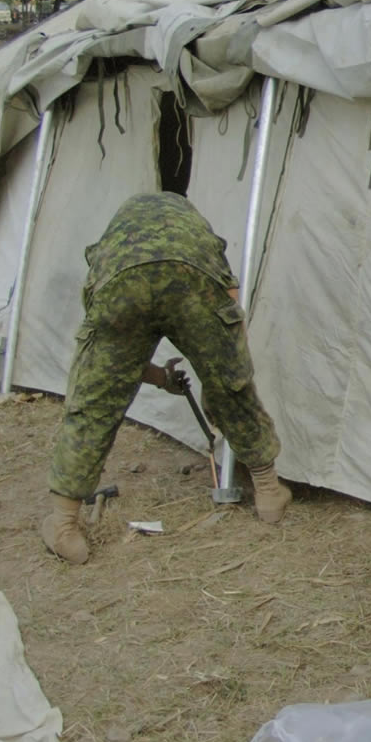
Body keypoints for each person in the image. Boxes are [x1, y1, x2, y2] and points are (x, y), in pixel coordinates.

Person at [42, 191, 292, 563]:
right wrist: (223, 370)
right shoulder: (196, 233)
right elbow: (230, 307)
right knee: (231, 384)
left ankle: (64, 525)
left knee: (94, 403)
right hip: (192, 277)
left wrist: (159, 378)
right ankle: (268, 491)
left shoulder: (116, 241)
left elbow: (110, 366)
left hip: (121, 282)